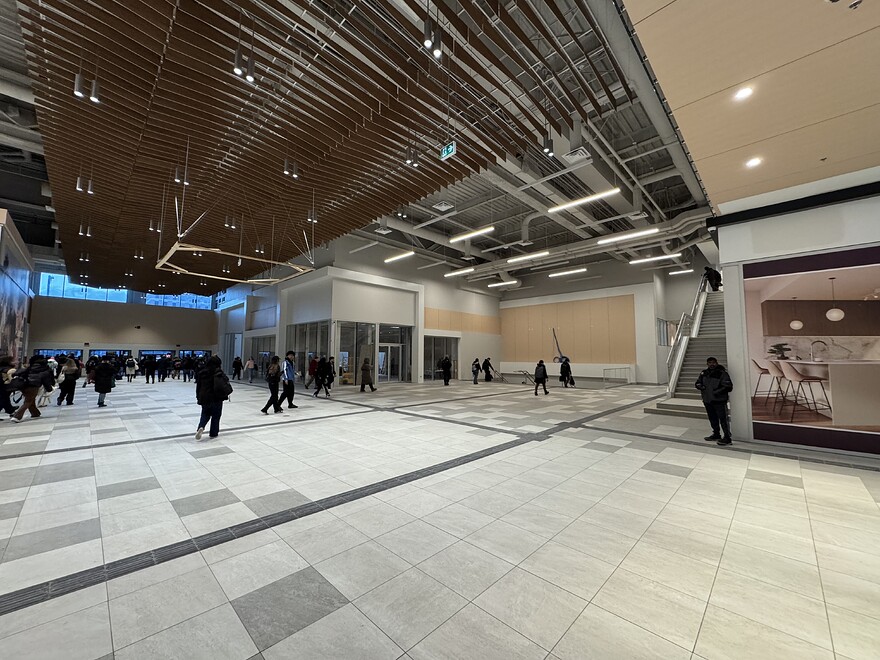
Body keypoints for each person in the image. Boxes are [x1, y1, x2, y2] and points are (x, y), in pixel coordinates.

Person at [695, 356, 733, 446]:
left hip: (719, 401)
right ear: (707, 364)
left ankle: (727, 437)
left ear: (717, 363)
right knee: (712, 418)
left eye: (713, 362)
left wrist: (716, 392)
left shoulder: (722, 373)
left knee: (723, 419)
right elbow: (697, 383)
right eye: (709, 363)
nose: (711, 364)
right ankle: (716, 434)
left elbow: (728, 386)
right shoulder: (704, 373)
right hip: (708, 400)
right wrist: (701, 386)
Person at [195, 355, 232, 440]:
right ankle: (213, 433)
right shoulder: (219, 373)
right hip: (217, 397)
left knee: (205, 414)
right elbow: (225, 383)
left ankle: (201, 427)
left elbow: (198, 387)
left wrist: (198, 396)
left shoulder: (202, 373)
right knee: (216, 415)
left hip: (205, 397)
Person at [11, 356, 54, 422]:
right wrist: (49, 389)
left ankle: (35, 413)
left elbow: (16, 373)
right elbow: (46, 381)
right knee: (28, 401)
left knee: (31, 399)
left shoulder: (29, 368)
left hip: (24, 386)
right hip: (33, 386)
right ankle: (17, 416)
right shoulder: (45, 370)